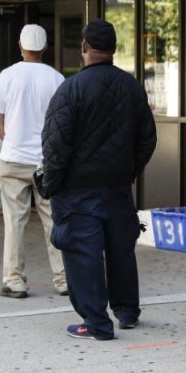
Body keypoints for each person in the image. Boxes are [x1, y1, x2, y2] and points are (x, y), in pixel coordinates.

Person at [41, 20, 157, 340]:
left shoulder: (71, 89)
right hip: (118, 186)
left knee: (83, 253)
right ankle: (127, 311)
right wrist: (130, 170)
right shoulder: (131, 87)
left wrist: (52, 184)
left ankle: (96, 323)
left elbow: (55, 145)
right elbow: (147, 137)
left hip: (77, 190)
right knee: (120, 249)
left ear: (84, 47)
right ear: (114, 49)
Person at [0, 24, 67, 299]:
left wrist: (9, 141)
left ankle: (15, 281)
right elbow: (63, 123)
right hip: (46, 162)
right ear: (45, 48)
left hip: (12, 160)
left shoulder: (7, 76)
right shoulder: (57, 79)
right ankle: (64, 280)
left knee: (15, 222)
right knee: (53, 220)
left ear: (20, 46)